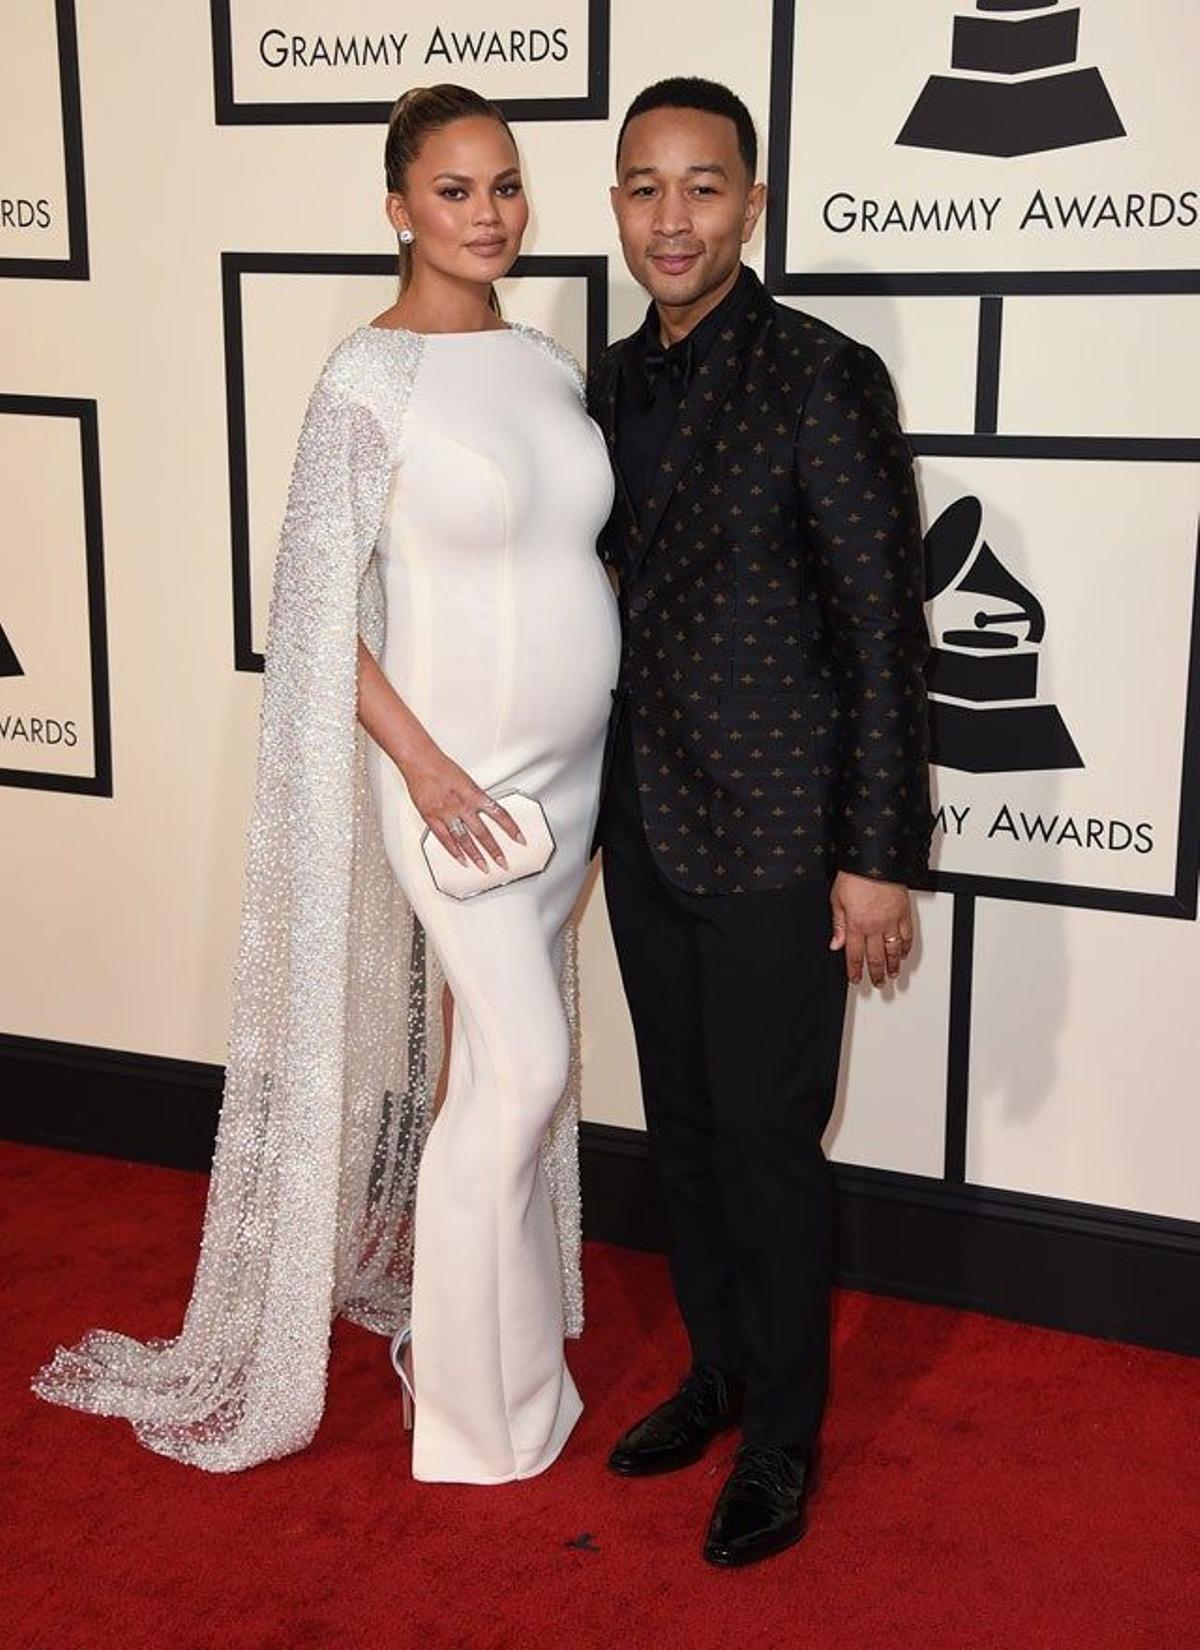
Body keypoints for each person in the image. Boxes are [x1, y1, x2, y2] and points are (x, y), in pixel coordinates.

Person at [34, 84, 619, 1485]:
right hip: (456, 785)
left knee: (500, 1073)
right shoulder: (366, 379)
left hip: (573, 780)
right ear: (397, 209)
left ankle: (516, 1367)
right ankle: (471, 1403)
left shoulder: (543, 365)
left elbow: (571, 560)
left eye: (506, 186)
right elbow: (313, 611)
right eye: (455, 190)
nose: (489, 215)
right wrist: (420, 766)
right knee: (522, 1069)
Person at [591, 79, 932, 1566]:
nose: (673, 218)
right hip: (639, 822)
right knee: (682, 1133)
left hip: (786, 836)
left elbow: (881, 627)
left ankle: (783, 1439)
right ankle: (717, 1369)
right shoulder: (594, 384)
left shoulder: (821, 374)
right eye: (644, 188)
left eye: (703, 187)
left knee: (771, 1142)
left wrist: (876, 853)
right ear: (616, 207)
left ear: (753, 204)